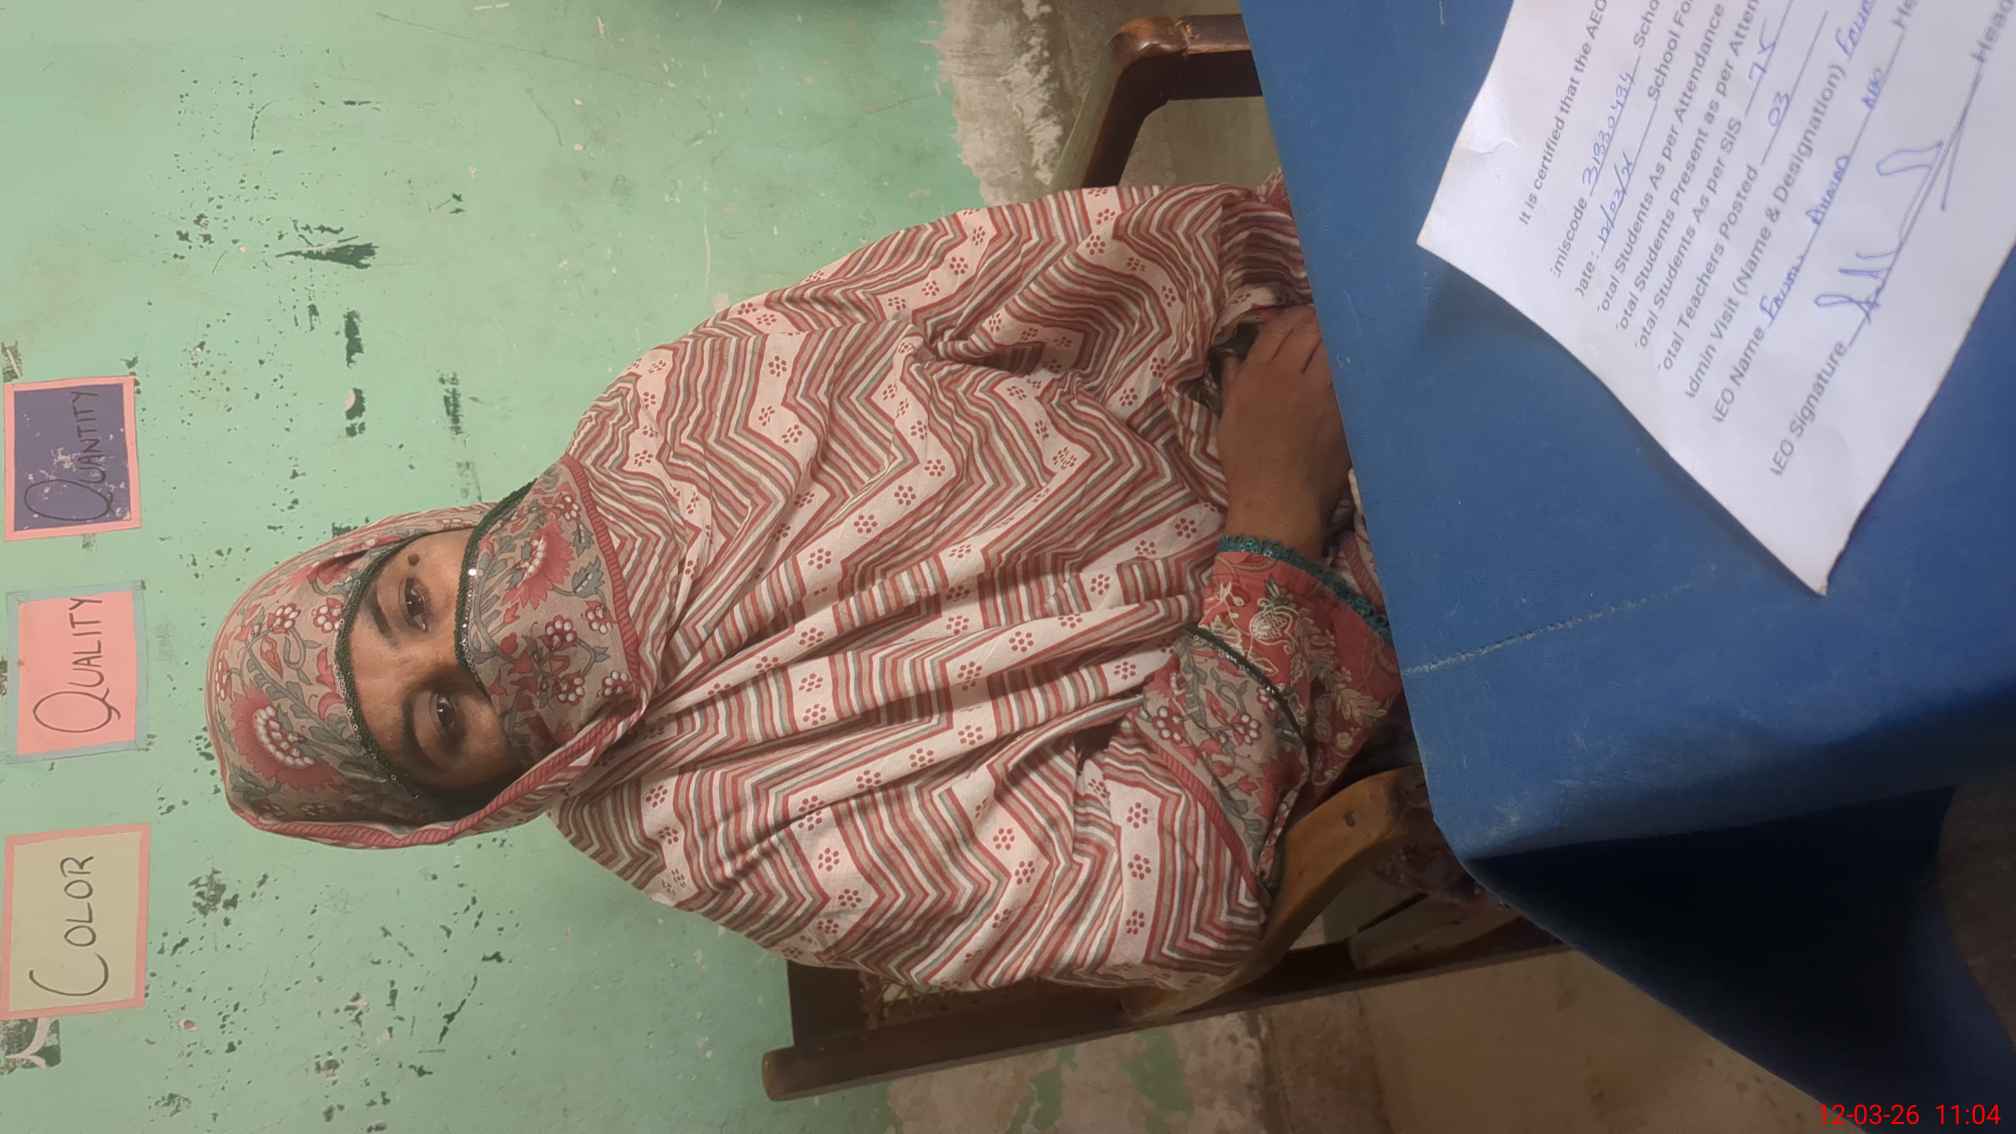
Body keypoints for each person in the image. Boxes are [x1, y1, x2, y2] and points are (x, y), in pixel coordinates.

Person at [205, 177, 1401, 991]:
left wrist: (1258, 343)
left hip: (1266, 369)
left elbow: (1028, 280)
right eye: (442, 716)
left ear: (416, 538)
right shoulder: (715, 828)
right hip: (1363, 611)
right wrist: (1274, 519)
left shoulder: (658, 413)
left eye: (412, 604)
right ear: (487, 797)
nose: (483, 643)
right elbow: (1164, 893)